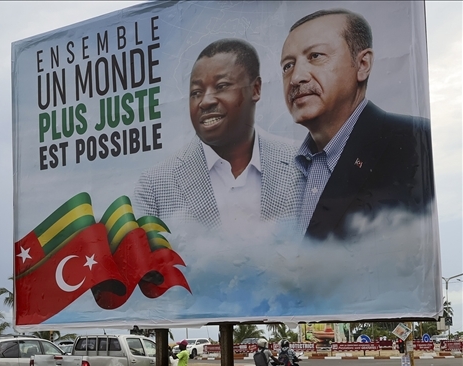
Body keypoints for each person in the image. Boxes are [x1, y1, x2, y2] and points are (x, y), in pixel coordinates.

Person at [280, 9, 434, 241]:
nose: (296, 78)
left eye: (315, 56)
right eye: (287, 66)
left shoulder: (417, 143)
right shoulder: (282, 173)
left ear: (362, 64)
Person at [134, 39, 300, 231]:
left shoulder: (300, 164)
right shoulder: (155, 186)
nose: (205, 102)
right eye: (196, 92)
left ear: (255, 89)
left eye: (221, 86)